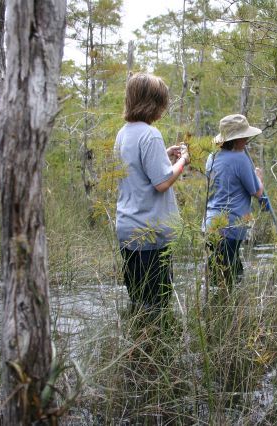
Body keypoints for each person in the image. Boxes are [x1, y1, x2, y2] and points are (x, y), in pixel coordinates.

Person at [114, 73, 190, 315]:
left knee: (138, 302)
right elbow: (163, 182)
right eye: (161, 102)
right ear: (152, 103)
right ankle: (155, 350)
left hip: (127, 229)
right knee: (157, 305)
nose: (163, 108)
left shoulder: (123, 133)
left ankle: (135, 347)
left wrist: (164, 155)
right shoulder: (150, 134)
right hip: (150, 233)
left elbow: (139, 170)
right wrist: (183, 161)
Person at [204, 114, 264, 289]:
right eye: (244, 137)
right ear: (237, 140)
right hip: (231, 226)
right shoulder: (241, 160)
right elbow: (257, 192)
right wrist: (259, 177)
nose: (246, 140)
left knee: (222, 271)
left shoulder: (211, 157)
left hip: (210, 224)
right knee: (229, 277)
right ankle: (223, 311)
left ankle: (218, 309)